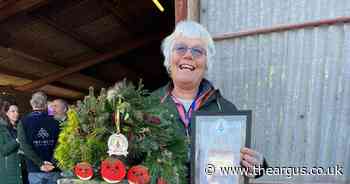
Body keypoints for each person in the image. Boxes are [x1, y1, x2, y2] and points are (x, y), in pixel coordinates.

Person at [152, 20, 267, 180]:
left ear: (206, 63)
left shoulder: (226, 109)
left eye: (198, 51)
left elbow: (243, 159)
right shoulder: (148, 106)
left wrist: (259, 166)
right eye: (180, 48)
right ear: (168, 58)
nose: (188, 55)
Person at [18, 92, 61, 184]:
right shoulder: (56, 121)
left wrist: (40, 164)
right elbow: (60, 144)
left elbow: (24, 146)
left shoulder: (23, 122)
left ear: (31, 103)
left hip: (35, 170)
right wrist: (52, 162)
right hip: (54, 169)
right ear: (46, 104)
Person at [0, 99, 23, 184]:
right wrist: (17, 140)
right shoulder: (1, 129)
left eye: (17, 111)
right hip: (9, 173)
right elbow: (3, 150)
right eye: (12, 111)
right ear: (6, 113)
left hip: (22, 170)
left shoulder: (20, 128)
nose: (16, 114)